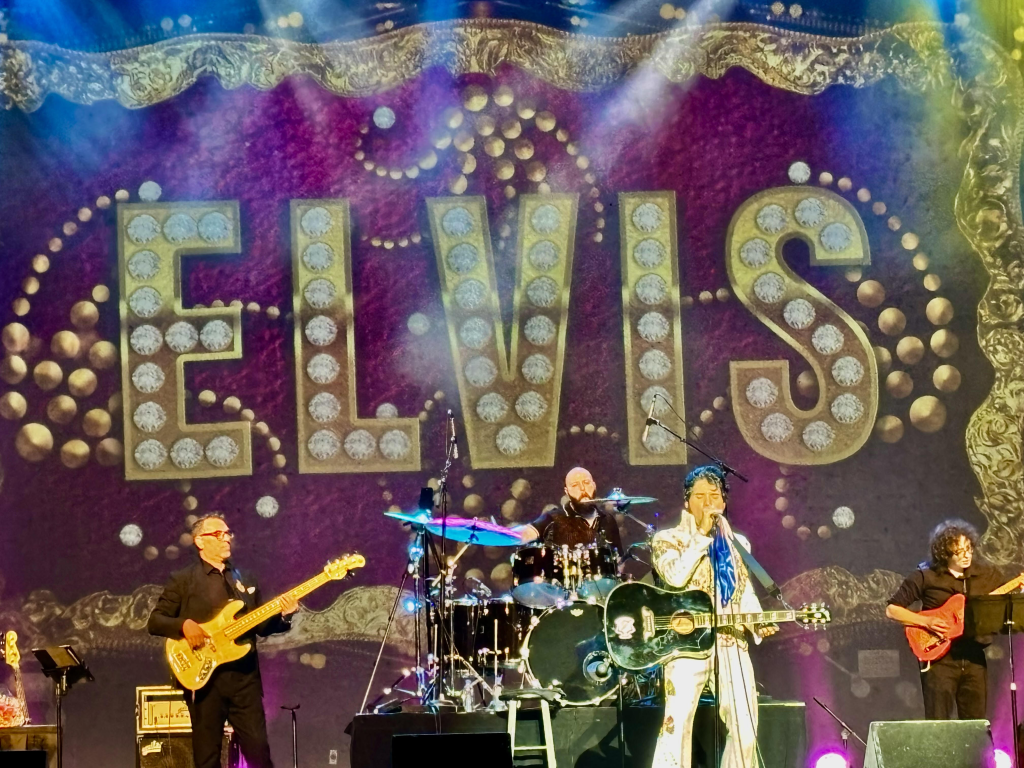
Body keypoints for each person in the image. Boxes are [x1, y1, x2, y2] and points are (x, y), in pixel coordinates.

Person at [148, 514, 299, 768]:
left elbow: (261, 627)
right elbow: (155, 621)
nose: (226, 538)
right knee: (207, 757)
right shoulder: (183, 579)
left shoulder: (245, 579)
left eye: (228, 533)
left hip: (244, 680)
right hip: (205, 681)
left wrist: (284, 616)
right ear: (199, 541)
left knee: (259, 753)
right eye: (218, 534)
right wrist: (184, 625)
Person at [650, 465, 775, 768]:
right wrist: (701, 536)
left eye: (714, 496)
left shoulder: (738, 542)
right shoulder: (667, 539)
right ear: (686, 501)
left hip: (730, 640)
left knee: (745, 730)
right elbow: (675, 577)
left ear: (724, 501)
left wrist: (757, 621)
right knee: (676, 728)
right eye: (700, 496)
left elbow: (743, 589)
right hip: (686, 644)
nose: (708, 503)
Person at [885, 519, 1004, 720]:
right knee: (939, 723)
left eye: (969, 549)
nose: (966, 555)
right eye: (959, 551)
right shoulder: (926, 577)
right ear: (945, 553)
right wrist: (927, 622)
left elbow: (1005, 599)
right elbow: (892, 610)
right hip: (940, 660)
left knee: (975, 724)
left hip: (974, 658)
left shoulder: (984, 575)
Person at [512, 466, 623, 553]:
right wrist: (503, 533)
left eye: (586, 483)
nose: (582, 489)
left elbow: (617, 558)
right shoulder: (553, 517)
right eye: (575, 485)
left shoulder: (608, 520)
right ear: (567, 492)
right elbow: (525, 533)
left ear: (594, 485)